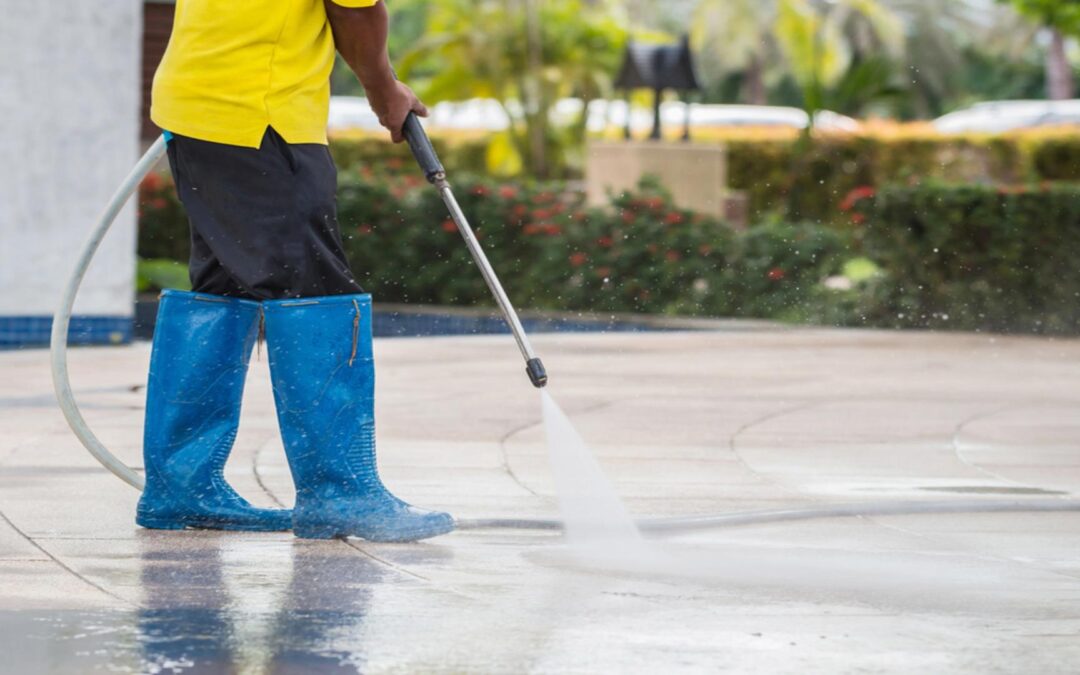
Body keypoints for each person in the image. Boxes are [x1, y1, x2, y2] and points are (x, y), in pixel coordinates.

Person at [137, 0, 453, 542]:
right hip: (261, 115)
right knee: (315, 288)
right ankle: (341, 493)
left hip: (201, 105)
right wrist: (385, 90)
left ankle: (182, 485)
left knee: (225, 287)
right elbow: (356, 12)